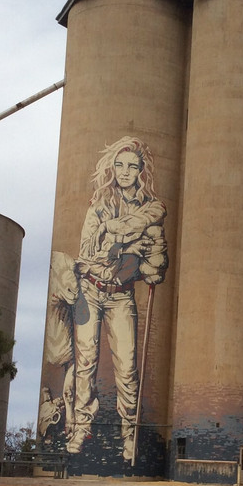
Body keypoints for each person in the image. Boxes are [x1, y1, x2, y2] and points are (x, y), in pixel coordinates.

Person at [69, 136, 167, 461]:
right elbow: (86, 254)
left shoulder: (149, 208)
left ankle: (129, 434)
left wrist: (150, 262)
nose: (125, 172)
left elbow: (157, 261)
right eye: (120, 165)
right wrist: (126, 246)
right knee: (85, 361)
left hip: (123, 296)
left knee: (127, 368)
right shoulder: (99, 205)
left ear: (142, 171)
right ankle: (81, 426)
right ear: (112, 167)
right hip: (90, 290)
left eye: (132, 167)